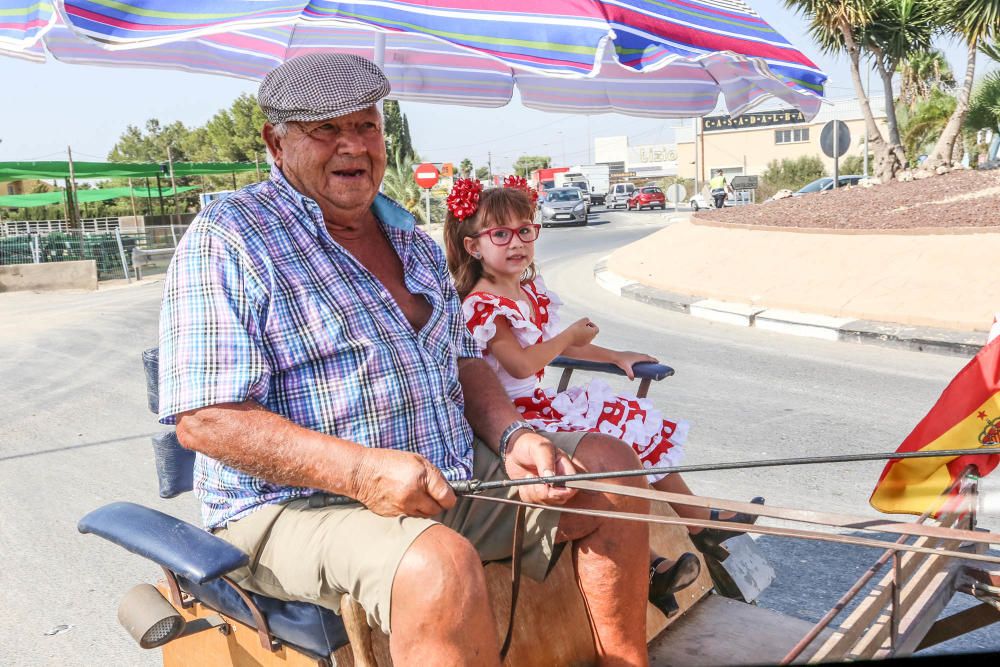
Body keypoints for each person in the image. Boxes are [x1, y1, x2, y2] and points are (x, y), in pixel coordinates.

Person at [157, 53, 654, 666]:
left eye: (367, 126)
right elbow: (205, 419)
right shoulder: (229, 236)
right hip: (297, 506)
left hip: (448, 476)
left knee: (608, 467)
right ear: (275, 143)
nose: (353, 146)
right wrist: (362, 474)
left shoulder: (409, 239)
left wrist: (515, 433)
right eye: (325, 129)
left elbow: (465, 362)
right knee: (436, 565)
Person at [442, 179, 763, 611]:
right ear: (474, 246)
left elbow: (563, 344)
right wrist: (569, 335)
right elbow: (520, 363)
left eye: (525, 230)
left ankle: (699, 521)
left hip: (540, 405)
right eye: (500, 234)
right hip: (512, 418)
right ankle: (653, 564)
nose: (516, 242)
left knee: (632, 418)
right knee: (605, 448)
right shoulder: (483, 304)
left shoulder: (525, 291)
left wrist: (617, 356)